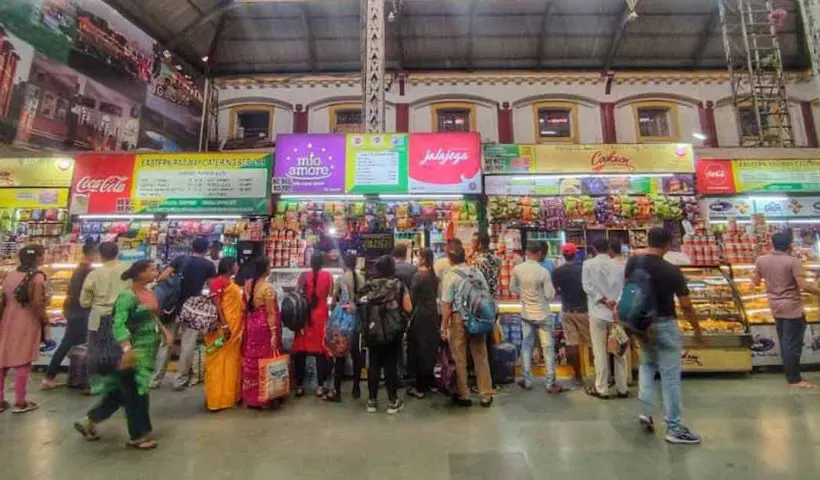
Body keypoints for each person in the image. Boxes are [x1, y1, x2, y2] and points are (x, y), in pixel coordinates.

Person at [74, 260, 173, 450]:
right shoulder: (127, 296)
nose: (155, 271)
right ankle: (138, 434)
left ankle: (89, 421)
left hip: (148, 349)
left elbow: (152, 315)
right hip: (133, 351)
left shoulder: (149, 292)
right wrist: (127, 348)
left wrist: (164, 331)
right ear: (140, 273)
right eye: (151, 269)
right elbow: (118, 323)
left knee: (121, 391)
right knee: (138, 390)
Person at [627, 227, 702, 445]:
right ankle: (674, 428)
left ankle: (645, 411)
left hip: (642, 325)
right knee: (670, 377)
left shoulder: (633, 263)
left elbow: (628, 290)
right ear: (667, 245)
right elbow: (687, 306)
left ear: (647, 241)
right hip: (665, 324)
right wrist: (697, 330)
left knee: (647, 366)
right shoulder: (672, 271)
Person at [752, 232, 820, 389]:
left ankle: (790, 374)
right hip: (792, 308)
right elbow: (803, 285)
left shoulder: (761, 260)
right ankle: (795, 379)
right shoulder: (793, 261)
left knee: (785, 341)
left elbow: (755, 281)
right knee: (792, 344)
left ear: (772, 244)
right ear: (790, 245)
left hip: (774, 306)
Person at [150, 237, 216, 390]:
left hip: (172, 308)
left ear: (192, 247)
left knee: (166, 342)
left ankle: (155, 380)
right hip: (192, 309)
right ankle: (180, 380)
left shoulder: (180, 259)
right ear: (206, 250)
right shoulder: (208, 265)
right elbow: (212, 288)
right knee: (188, 345)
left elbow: (163, 277)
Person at [441, 242, 494, 407]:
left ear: (450, 259)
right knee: (481, 356)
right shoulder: (476, 272)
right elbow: (486, 294)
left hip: (458, 319)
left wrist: (443, 325)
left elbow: (447, 305)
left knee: (459, 358)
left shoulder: (450, 276)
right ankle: (486, 394)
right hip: (477, 318)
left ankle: (464, 394)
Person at [42, 243, 98, 389]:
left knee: (69, 343)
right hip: (80, 311)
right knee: (80, 344)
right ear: (92, 255)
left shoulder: (80, 270)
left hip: (72, 310)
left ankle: (52, 377)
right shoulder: (87, 271)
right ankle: (81, 380)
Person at [0, 245, 48, 413]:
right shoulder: (38, 278)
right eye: (42, 256)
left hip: (8, 319)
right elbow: (37, 304)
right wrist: (45, 321)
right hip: (27, 321)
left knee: (3, 360)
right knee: (23, 361)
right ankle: (20, 402)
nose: (44, 259)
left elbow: (5, 299)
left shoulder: (10, 275)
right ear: (37, 258)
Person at [510, 242, 562, 394]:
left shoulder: (517, 269)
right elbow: (550, 295)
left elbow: (512, 288)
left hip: (526, 314)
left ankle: (527, 380)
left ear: (527, 252)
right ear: (539, 253)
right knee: (548, 348)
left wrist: (524, 294)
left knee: (526, 346)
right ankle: (550, 382)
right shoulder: (543, 271)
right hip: (543, 314)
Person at [363, 255, 413, 414]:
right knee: (391, 364)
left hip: (372, 330)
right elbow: (409, 307)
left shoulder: (369, 285)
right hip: (392, 330)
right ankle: (393, 401)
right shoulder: (398, 285)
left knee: (374, 364)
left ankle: (372, 401)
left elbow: (360, 303)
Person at [583, 238, 627, 399]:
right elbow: (625, 287)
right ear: (608, 248)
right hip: (616, 314)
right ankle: (622, 388)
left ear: (594, 248)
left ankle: (602, 388)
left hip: (598, 312)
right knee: (619, 350)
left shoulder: (588, 264)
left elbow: (587, 287)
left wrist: (603, 300)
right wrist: (615, 301)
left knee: (599, 351)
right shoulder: (620, 265)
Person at [204, 257, 244, 411]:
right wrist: (225, 324)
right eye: (236, 264)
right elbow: (217, 305)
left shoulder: (229, 282)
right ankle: (216, 399)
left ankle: (229, 396)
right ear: (229, 267)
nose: (238, 266)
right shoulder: (218, 282)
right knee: (217, 362)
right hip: (222, 330)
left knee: (231, 362)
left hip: (233, 329)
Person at [241, 257, 281, 408]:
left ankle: (251, 397)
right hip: (263, 326)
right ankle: (264, 397)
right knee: (265, 361)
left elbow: (246, 306)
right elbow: (271, 313)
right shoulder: (267, 288)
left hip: (251, 324)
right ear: (265, 269)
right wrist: (274, 334)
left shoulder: (249, 285)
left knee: (252, 358)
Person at [326, 252, 366, 402]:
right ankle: (356, 387)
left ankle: (337, 391)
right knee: (356, 354)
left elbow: (334, 299)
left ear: (344, 264)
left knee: (340, 355)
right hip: (357, 320)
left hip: (343, 322)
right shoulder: (362, 278)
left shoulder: (341, 279)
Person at [293, 251, 332, 397]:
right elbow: (330, 295)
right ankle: (320, 387)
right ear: (323, 262)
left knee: (300, 352)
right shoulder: (328, 276)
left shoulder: (303, 276)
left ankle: (299, 386)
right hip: (321, 317)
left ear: (310, 262)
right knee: (321, 353)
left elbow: (297, 294)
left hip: (304, 318)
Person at [80, 241, 130, 354]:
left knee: (97, 354)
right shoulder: (128, 270)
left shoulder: (94, 274)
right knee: (120, 353)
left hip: (99, 318)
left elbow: (84, 302)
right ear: (117, 253)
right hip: (123, 317)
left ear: (100, 255)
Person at [550, 243, 588, 386]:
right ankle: (598, 371)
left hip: (567, 310)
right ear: (575, 253)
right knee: (593, 344)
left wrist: (562, 292)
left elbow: (554, 291)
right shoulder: (583, 269)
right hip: (584, 310)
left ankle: (578, 375)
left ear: (563, 255)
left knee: (572, 344)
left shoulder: (558, 272)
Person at [407, 248, 440, 399]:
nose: (416, 259)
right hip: (432, 315)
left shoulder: (419, 276)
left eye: (418, 257)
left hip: (420, 316)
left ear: (424, 259)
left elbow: (411, 299)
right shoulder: (433, 276)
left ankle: (418, 387)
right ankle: (430, 382)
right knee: (429, 350)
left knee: (418, 351)